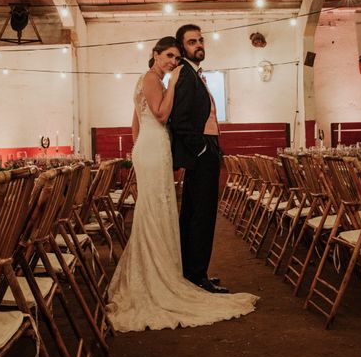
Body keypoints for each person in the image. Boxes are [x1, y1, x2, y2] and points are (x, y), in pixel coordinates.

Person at [106, 36, 258, 332]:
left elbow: (135, 120)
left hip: (151, 147)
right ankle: (158, 277)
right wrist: (174, 84)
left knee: (158, 207)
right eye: (169, 56)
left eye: (177, 58)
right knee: (155, 207)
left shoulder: (152, 81)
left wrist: (138, 148)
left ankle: (162, 270)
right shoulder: (153, 79)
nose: (173, 62)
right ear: (155, 55)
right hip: (154, 146)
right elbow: (161, 115)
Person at [168, 24, 226, 293]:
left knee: (194, 212)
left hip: (208, 148)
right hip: (202, 151)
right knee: (201, 215)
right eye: (192, 41)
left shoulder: (194, 74)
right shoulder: (185, 75)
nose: (199, 44)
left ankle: (194, 271)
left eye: (200, 40)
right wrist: (201, 149)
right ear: (182, 48)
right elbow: (178, 120)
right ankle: (196, 274)